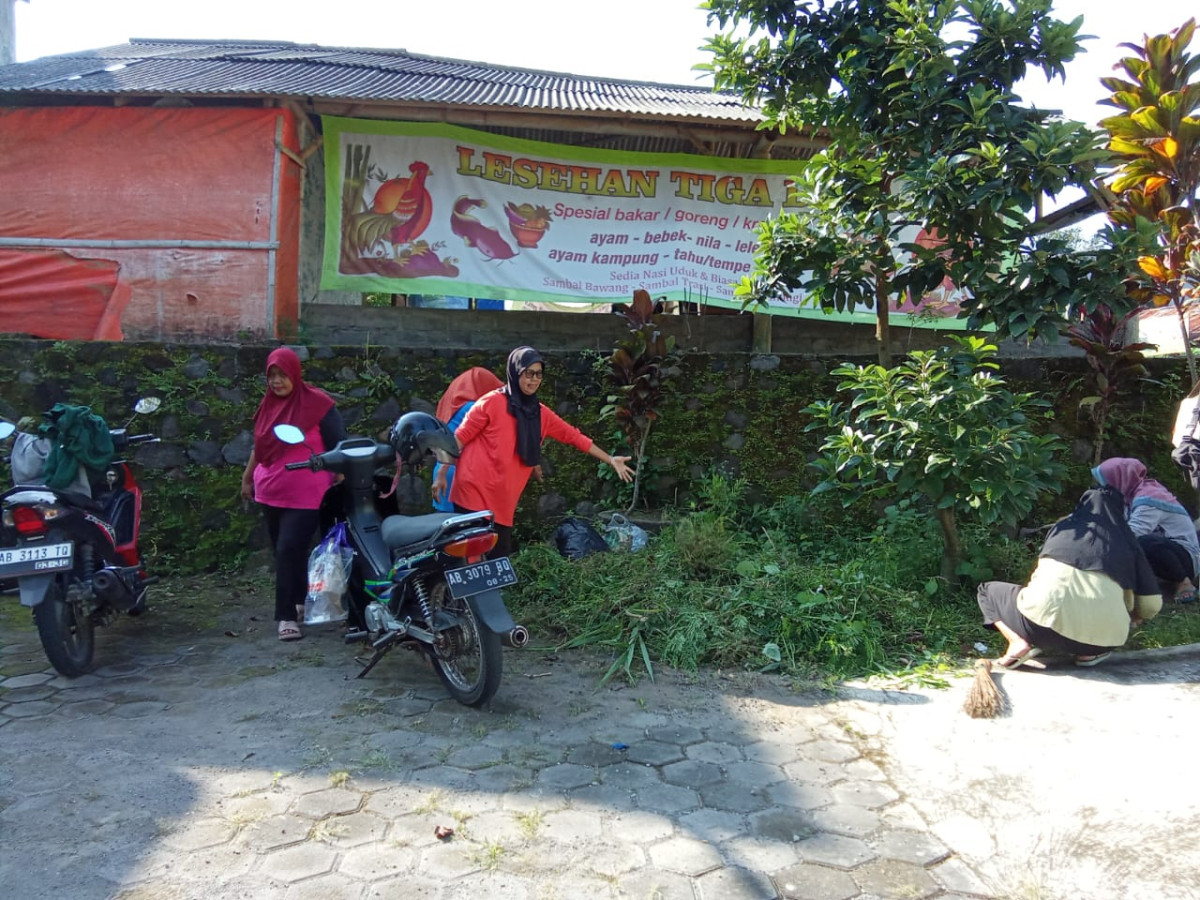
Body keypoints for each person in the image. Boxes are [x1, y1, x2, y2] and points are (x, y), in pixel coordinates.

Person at [433, 346, 633, 558]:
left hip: (503, 500)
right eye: (528, 373)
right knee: (472, 561)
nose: (534, 380)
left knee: (497, 559)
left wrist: (610, 459)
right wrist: (441, 474)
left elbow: (574, 437)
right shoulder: (490, 403)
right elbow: (459, 439)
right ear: (515, 372)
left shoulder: (540, 414)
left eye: (538, 374)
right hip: (472, 491)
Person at [976, 485, 1162, 669]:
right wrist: (1135, 616)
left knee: (986, 590)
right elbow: (1151, 605)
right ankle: (1089, 653)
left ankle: (1017, 642)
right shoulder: (1129, 543)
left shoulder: (1063, 528)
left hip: (1038, 625)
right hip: (1103, 639)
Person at [240, 347, 347, 641]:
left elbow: (338, 445)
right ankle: (298, 602)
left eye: (282, 374)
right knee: (286, 552)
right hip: (269, 489)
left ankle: (286, 617)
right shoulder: (267, 406)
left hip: (307, 493)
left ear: (294, 374)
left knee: (289, 548)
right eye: (271, 375)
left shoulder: (318, 404)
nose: (276, 381)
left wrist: (341, 479)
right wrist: (247, 478)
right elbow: (258, 448)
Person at [1092, 457, 1200, 603]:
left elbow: (1134, 532)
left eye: (1107, 482)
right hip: (1168, 554)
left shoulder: (1149, 498)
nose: (1104, 488)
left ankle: (1184, 582)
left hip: (1186, 558)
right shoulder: (1130, 497)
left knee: (1144, 542)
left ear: (1120, 480)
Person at [432, 366, 502, 512]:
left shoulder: (451, 406)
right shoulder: (474, 408)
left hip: (442, 470)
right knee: (466, 529)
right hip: (460, 476)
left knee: (445, 525)